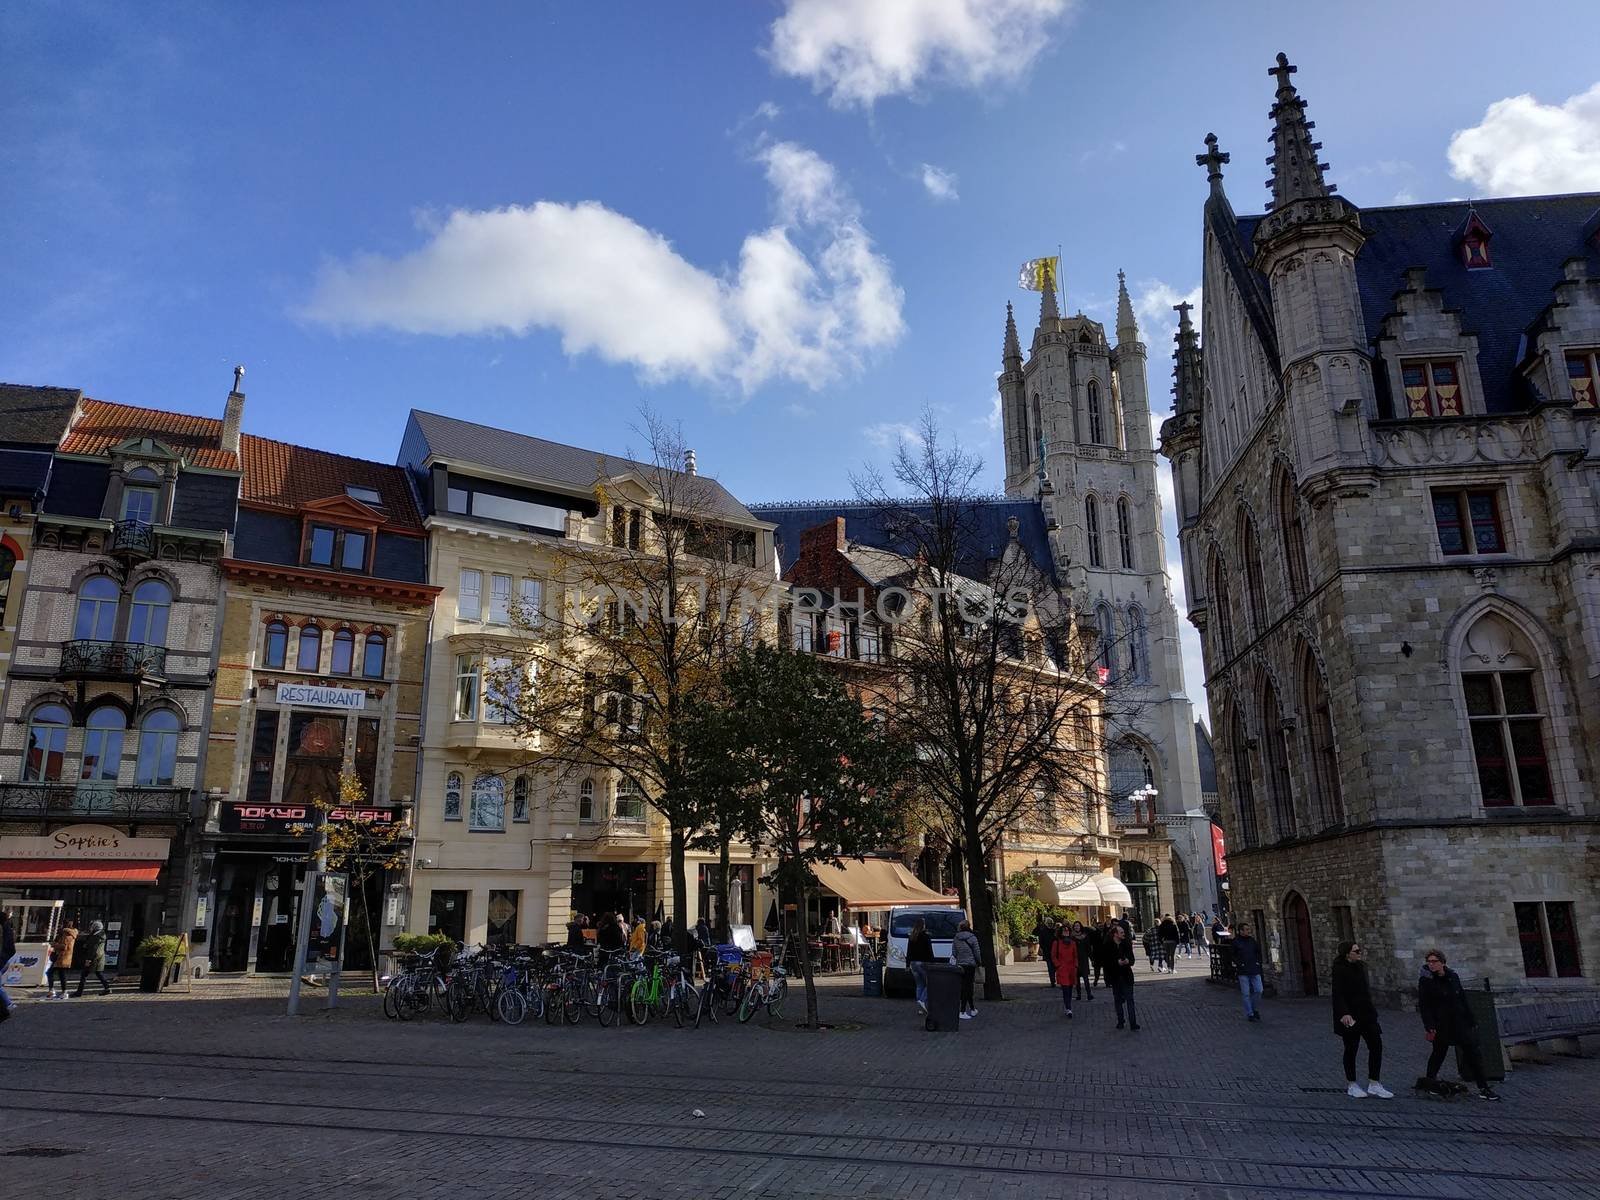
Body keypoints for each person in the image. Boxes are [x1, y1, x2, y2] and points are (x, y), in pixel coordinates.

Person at [1419, 949, 1500, 1101]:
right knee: (1438, 1054)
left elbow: (1461, 998)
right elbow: (1424, 1005)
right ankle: (1430, 1082)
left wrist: (1471, 1019)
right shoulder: (1426, 981)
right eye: (1429, 962)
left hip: (1459, 1023)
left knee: (1472, 1055)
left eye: (1434, 961)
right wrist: (1429, 1025)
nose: (1431, 965)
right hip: (1441, 1025)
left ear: (1442, 962)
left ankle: (1483, 1088)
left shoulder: (1453, 977)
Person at [1331, 940, 1391, 1099]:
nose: (1359, 953)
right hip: (1349, 1016)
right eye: (1356, 951)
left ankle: (1374, 1083)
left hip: (1367, 1014)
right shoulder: (1339, 969)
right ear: (1347, 953)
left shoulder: (1361, 967)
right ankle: (1352, 1084)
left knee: (1376, 1046)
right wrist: (1344, 1013)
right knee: (1351, 1049)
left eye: (1359, 951)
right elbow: (1338, 994)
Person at [1099, 922, 1140, 1031]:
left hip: (1126, 976)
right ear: (1115, 934)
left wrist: (1128, 961)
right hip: (1115, 976)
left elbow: (1132, 959)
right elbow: (1105, 962)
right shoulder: (1107, 946)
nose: (1124, 934)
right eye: (1121, 932)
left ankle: (1133, 1023)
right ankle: (1120, 1021)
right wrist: (1116, 962)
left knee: (1130, 999)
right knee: (1118, 1000)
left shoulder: (1126, 944)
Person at [1232, 921, 1265, 1021]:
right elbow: (1233, 955)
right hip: (1243, 971)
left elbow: (1258, 952)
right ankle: (1250, 1014)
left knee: (1259, 990)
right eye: (1246, 930)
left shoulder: (1252, 940)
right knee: (1246, 993)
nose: (1248, 931)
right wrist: (1239, 964)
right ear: (1241, 931)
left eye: (1248, 929)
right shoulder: (1236, 941)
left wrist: (1258, 962)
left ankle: (1254, 1008)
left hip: (1254, 969)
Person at [72, 919, 112, 998]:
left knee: (84, 974)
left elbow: (93, 949)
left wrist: (88, 960)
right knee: (99, 973)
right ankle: (107, 988)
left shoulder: (96, 937)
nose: (90, 928)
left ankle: (79, 992)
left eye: (92, 926)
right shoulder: (100, 935)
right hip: (99, 958)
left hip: (94, 958)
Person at [951, 919, 982, 1020]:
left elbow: (954, 953)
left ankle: (972, 1009)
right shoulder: (972, 938)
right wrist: (979, 961)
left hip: (960, 964)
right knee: (968, 987)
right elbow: (977, 952)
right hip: (970, 965)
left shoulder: (956, 938)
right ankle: (963, 1010)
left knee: (965, 987)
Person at [906, 917, 935, 1016]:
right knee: (930, 984)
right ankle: (922, 1001)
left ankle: (921, 1008)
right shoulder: (926, 937)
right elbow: (929, 951)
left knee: (919, 985)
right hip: (923, 963)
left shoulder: (912, 936)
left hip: (913, 963)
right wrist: (932, 962)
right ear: (923, 925)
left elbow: (909, 951)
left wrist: (907, 964)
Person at [1050, 925, 1079, 1018]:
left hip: (1071, 969)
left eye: (1067, 930)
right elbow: (1053, 955)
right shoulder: (1057, 943)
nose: (1066, 932)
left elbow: (1075, 955)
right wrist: (1058, 965)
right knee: (1065, 989)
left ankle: (1068, 1006)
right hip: (1062, 969)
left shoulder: (1073, 943)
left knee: (1070, 989)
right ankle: (1068, 1008)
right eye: (1064, 930)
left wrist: (1075, 965)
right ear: (1061, 932)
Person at [48, 919, 78, 999]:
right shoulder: (71, 933)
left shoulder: (66, 933)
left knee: (51, 973)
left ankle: (55, 991)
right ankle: (59, 991)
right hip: (65, 957)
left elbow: (64, 946)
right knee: (61, 975)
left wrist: (54, 945)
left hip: (62, 957)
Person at [1071, 921, 1095, 1000]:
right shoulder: (1072, 937)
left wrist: (1092, 958)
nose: (1076, 927)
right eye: (1075, 926)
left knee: (1086, 978)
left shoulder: (1085, 936)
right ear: (1073, 927)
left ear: (1080, 927)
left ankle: (1089, 994)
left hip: (1084, 959)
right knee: (1077, 979)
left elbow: (1088, 948)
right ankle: (1079, 995)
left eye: (1078, 926)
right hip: (1075, 959)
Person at [0, 910, 15, 1022]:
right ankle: (6, 1006)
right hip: (4, 959)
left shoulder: (4, 930)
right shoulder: (7, 929)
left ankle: (7, 1006)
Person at [1035, 916, 1058, 987]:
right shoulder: (1044, 931)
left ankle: (1054, 980)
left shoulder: (1053, 931)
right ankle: (1053, 981)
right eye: (1049, 923)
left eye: (1051, 923)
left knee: (1054, 967)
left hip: (1054, 952)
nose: (1050, 924)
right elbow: (1041, 942)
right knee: (1051, 967)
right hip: (1048, 952)